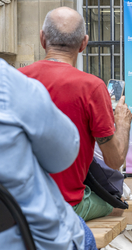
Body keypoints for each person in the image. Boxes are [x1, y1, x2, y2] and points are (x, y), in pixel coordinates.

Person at [19, 7, 132, 221]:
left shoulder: (14, 79)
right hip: (65, 207)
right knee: (118, 206)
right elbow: (114, 160)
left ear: (42, 39)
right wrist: (123, 123)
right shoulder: (91, 87)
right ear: (84, 43)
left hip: (16, 205)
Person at [0, 59, 96, 250]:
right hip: (33, 239)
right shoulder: (8, 83)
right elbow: (64, 157)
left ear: (44, 40)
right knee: (97, 218)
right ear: (83, 44)